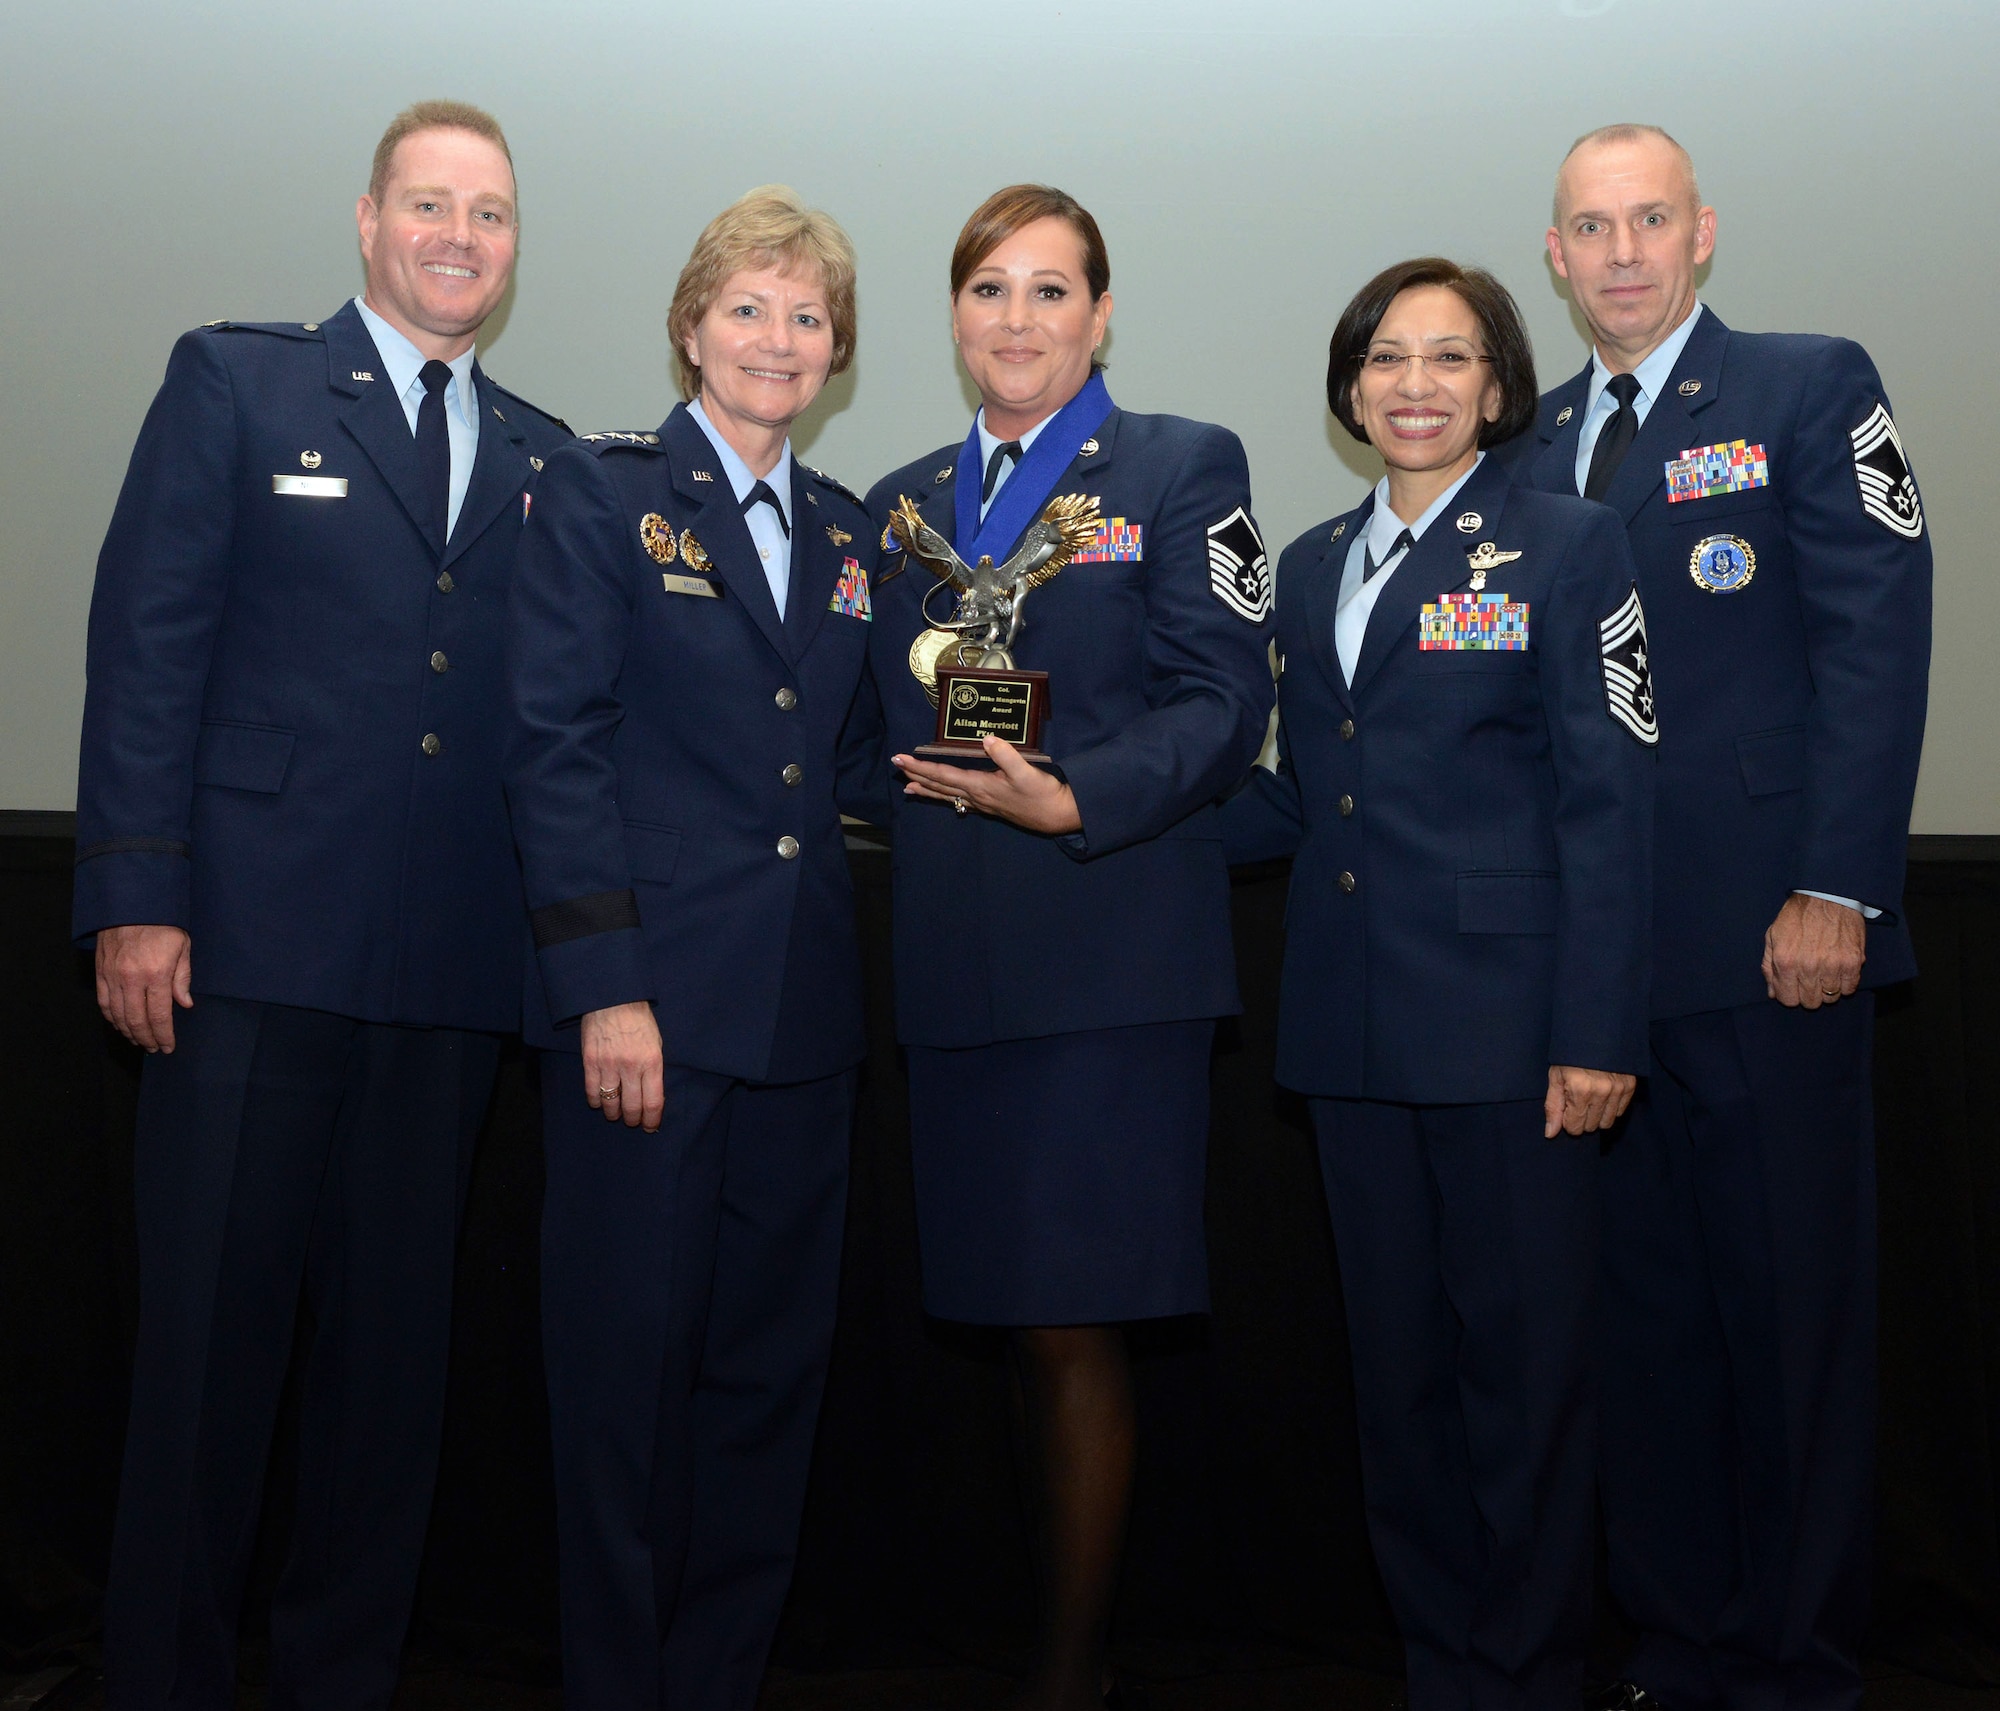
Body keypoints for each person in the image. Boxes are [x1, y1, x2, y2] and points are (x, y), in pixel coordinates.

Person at [72, 101, 569, 1709]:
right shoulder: (240, 381)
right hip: (246, 957)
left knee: (385, 1381)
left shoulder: (554, 456)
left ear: (512, 245)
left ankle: (340, 1683)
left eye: (487, 214)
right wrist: (137, 897)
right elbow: (148, 647)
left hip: (444, 975)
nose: (457, 238)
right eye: (429, 205)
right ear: (368, 222)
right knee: (209, 1363)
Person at [1517, 125, 1933, 1711]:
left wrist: (1837, 883)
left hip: (1776, 947)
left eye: (1649, 221)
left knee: (1793, 1326)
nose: (1621, 252)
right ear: (1554, 258)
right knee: (1653, 1330)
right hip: (1599, 975)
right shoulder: (1533, 441)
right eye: (1589, 228)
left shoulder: (1808, 387)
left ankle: (1800, 1663)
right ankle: (1683, 1644)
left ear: (1704, 235)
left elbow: (1878, 633)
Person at [855, 183, 1274, 1710]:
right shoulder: (901, 502)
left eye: (1050, 291)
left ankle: (1069, 1677)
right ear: (954, 316)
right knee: (1018, 1327)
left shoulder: (1178, 469)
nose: (1015, 319)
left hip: (1109, 958)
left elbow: (1224, 703)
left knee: (1075, 1323)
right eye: (987, 290)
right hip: (957, 966)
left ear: (1101, 317)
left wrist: (1076, 794)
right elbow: (863, 726)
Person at [1224, 259, 1655, 1711]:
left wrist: (1597, 1030)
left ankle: (1528, 1678)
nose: (1415, 384)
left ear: (1496, 385)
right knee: (1397, 1392)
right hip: (1348, 1037)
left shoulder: (1573, 544)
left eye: (1449, 358)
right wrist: (1087, 807)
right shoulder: (1306, 562)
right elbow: (1302, 799)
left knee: (1521, 1395)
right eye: (1386, 358)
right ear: (1350, 387)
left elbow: (1609, 804)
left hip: (1514, 1038)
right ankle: (1442, 1671)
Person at [504, 185, 877, 1711]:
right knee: (621, 1387)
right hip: (646, 1016)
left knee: (765, 1388)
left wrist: (1042, 775)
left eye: (805, 315)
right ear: (690, 328)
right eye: (748, 308)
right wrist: (608, 989)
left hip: (801, 1026)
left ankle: (716, 1678)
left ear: (837, 349)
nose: (776, 339)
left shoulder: (852, 535)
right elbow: (552, 748)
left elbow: (849, 764)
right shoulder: (600, 495)